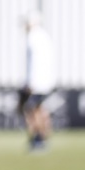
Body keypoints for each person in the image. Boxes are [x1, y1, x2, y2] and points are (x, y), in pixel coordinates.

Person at [21, 12, 56, 153]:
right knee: (40, 109)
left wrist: (30, 82)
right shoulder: (44, 36)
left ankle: (38, 139)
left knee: (33, 110)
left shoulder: (33, 38)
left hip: (37, 83)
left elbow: (34, 63)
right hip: (45, 82)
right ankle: (43, 138)